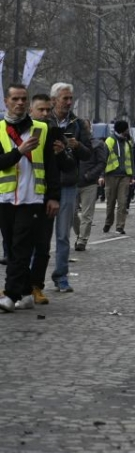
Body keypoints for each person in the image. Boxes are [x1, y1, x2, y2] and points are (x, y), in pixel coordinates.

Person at [0, 83, 60, 312]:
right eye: (15, 99)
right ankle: (25, 293)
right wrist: (19, 151)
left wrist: (53, 197)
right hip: (4, 199)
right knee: (12, 249)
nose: (20, 103)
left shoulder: (41, 129)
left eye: (24, 98)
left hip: (32, 198)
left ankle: (10, 294)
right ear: (6, 101)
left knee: (21, 246)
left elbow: (51, 166)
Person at [25, 94, 73, 305]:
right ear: (31, 111)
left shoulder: (54, 133)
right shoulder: (19, 131)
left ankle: (36, 286)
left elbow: (68, 167)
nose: (44, 114)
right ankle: (15, 285)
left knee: (42, 245)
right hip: (20, 197)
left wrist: (62, 153)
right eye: (40, 110)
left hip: (44, 197)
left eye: (47, 110)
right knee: (16, 246)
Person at [49, 83, 91, 292]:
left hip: (67, 183)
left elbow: (88, 153)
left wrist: (77, 146)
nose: (68, 102)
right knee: (37, 234)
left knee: (63, 235)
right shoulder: (43, 120)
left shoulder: (78, 123)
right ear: (53, 100)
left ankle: (61, 276)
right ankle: (31, 276)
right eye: (64, 98)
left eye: (70, 98)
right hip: (43, 182)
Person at [74, 119, 106, 258]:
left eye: (85, 127)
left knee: (87, 214)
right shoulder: (72, 143)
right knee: (71, 214)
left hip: (89, 183)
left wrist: (90, 175)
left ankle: (82, 240)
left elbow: (102, 162)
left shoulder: (98, 144)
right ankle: (80, 234)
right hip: (73, 182)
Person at [100, 120, 135, 235]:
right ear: (122, 130)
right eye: (126, 129)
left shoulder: (128, 142)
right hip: (110, 175)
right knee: (110, 202)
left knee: (123, 202)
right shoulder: (110, 141)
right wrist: (101, 175)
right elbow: (103, 158)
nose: (127, 131)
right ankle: (108, 222)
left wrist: (132, 176)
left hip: (124, 176)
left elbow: (131, 160)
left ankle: (120, 226)